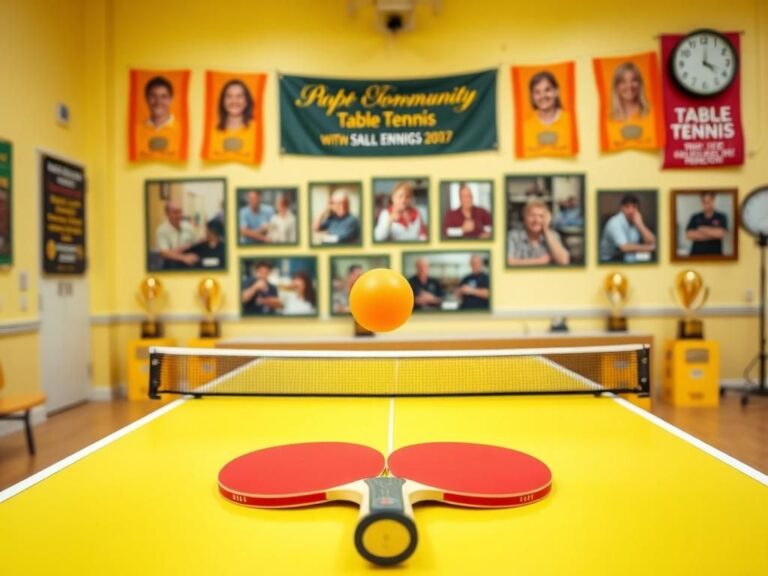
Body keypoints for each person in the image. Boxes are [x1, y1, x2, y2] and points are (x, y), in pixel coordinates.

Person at [521, 71, 575, 156]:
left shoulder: (572, 123)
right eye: (537, 92)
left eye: (547, 90)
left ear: (556, 92)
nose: (543, 96)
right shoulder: (525, 126)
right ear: (532, 96)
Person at [507, 200, 570, 266]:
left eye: (541, 216)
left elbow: (564, 261)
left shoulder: (553, 236)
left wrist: (546, 229)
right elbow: (507, 262)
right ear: (524, 218)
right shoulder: (512, 236)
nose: (536, 220)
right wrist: (539, 261)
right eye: (532, 216)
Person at [599, 194, 657, 263]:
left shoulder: (637, 220)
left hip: (627, 256)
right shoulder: (615, 222)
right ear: (621, 208)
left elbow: (652, 241)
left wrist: (641, 225)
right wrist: (650, 248)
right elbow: (624, 247)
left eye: (634, 207)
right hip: (609, 259)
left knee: (650, 258)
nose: (631, 211)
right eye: (627, 207)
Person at [155, 200, 201, 269]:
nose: (179, 215)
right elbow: (164, 253)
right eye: (175, 212)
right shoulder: (162, 230)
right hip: (171, 265)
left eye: (180, 212)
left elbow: (196, 244)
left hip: (189, 263)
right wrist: (183, 257)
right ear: (167, 214)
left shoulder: (188, 227)